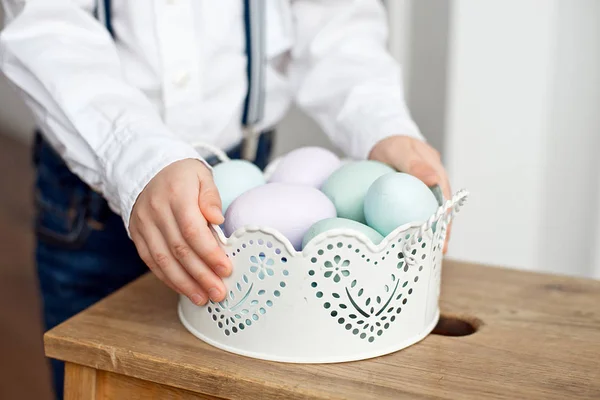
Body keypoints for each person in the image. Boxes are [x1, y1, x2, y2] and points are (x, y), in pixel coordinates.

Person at [0, 1, 451, 398]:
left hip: (246, 189)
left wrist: (381, 123)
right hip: (96, 198)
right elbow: (43, 23)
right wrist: (136, 158)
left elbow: (332, 16)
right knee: (105, 379)